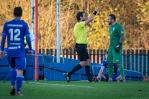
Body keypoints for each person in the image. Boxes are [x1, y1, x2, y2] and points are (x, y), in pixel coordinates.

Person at [0, 6, 33, 96]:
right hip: (19, 51)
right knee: (19, 71)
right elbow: (28, 38)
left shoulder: (7, 24)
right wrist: (30, 49)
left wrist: (1, 50)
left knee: (12, 69)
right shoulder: (24, 24)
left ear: (13, 13)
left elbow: (3, 38)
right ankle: (18, 91)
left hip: (10, 51)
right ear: (21, 14)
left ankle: (12, 86)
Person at [63, 8, 98, 83]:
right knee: (83, 63)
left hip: (83, 46)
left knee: (88, 61)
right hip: (80, 46)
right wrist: (94, 12)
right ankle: (68, 74)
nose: (85, 17)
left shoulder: (81, 25)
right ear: (80, 18)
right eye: (84, 16)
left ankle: (89, 79)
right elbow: (90, 20)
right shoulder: (79, 24)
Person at [107, 14, 125, 82]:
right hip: (110, 48)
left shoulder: (118, 26)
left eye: (109, 19)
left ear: (113, 19)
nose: (108, 20)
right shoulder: (110, 27)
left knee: (117, 63)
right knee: (110, 63)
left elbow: (122, 35)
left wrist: (119, 45)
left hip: (116, 47)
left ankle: (123, 77)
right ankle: (110, 78)